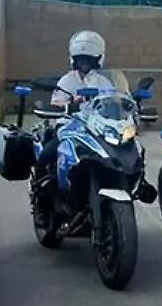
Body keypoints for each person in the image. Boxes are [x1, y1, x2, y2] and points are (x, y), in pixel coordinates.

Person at [34, 31, 114, 195]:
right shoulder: (67, 80)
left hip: (97, 129)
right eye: (81, 59)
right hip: (69, 128)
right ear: (74, 59)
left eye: (89, 59)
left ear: (97, 60)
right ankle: (40, 190)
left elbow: (113, 100)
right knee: (48, 152)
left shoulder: (103, 81)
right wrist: (72, 104)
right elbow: (55, 102)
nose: (84, 64)